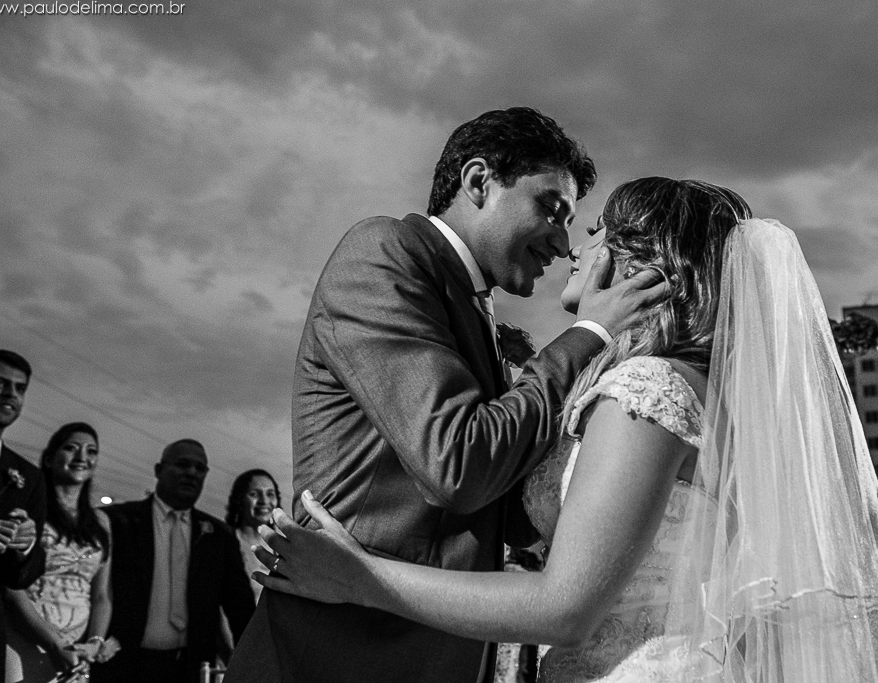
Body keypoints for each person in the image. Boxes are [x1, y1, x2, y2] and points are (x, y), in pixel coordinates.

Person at [252, 177, 878, 682]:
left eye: (598, 230)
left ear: (639, 263)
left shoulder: (648, 391)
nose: (576, 246)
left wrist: (361, 577)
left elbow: (564, 607)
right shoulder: (691, 390)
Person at [224, 107, 669, 683]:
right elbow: (458, 464)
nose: (563, 244)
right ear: (479, 181)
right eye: (551, 209)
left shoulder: (478, 311)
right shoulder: (384, 252)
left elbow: (507, 510)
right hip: (343, 654)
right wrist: (590, 335)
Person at [97, 439, 255, 683]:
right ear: (159, 470)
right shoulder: (119, 522)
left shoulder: (219, 536)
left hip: (191, 670)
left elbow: (240, 607)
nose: (191, 473)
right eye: (182, 464)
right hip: (123, 667)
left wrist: (252, 664)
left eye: (200, 468)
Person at [5, 422, 120, 681]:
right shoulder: (30, 508)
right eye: (71, 448)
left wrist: (95, 642)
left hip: (76, 653)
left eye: (91, 451)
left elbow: (102, 595)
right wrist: (53, 643)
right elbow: (12, 586)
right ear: (49, 458)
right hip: (26, 639)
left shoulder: (101, 522)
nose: (82, 457)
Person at [0, 348, 47, 682]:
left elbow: (24, 577)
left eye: (20, 388)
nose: (11, 394)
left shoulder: (27, 477)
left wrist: (26, 547)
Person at [225, 469, 281, 603]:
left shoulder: (283, 547)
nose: (264, 501)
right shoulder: (225, 544)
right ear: (239, 500)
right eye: (254, 494)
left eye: (270, 494)